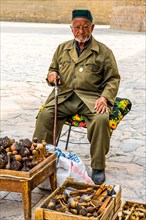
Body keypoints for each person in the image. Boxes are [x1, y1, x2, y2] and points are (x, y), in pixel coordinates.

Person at [33, 9, 120, 184]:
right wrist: (52, 76)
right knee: (44, 116)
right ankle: (41, 159)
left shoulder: (104, 52)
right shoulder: (62, 48)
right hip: (64, 96)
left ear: (92, 27)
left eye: (85, 27)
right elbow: (53, 69)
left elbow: (113, 79)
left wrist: (104, 98)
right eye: (77, 27)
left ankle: (98, 166)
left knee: (101, 119)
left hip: (91, 98)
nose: (81, 31)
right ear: (71, 28)